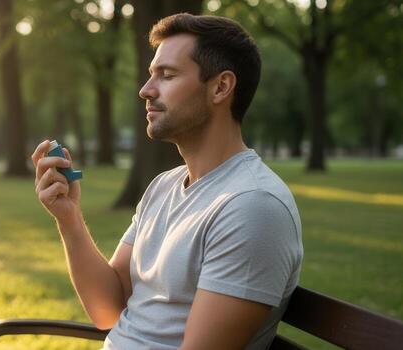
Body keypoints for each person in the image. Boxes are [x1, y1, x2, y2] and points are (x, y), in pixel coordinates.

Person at [31, 13, 303, 350]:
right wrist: (69, 217)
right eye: (150, 76)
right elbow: (108, 311)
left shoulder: (253, 206)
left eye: (167, 75)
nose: (145, 90)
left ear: (220, 87)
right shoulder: (164, 186)